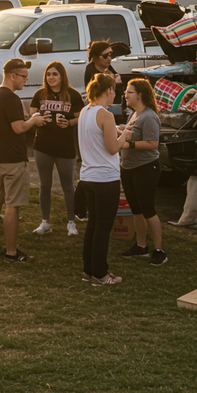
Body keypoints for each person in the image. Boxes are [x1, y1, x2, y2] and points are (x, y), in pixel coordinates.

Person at [0, 58, 46, 263]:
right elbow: (18, 128)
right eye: (23, 76)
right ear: (12, 75)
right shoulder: (12, 99)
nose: (25, 80)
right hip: (12, 159)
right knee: (12, 205)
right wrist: (33, 120)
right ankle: (11, 252)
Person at [79, 73, 128, 285]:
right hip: (105, 179)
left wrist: (116, 131)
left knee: (93, 224)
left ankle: (88, 270)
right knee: (103, 228)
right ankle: (100, 274)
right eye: (114, 91)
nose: (115, 95)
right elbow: (112, 148)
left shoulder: (85, 111)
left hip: (87, 177)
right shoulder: (106, 115)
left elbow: (97, 136)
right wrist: (125, 135)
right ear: (108, 90)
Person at [29, 61, 83, 236]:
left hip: (65, 147)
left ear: (62, 76)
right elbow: (32, 110)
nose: (51, 77)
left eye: (54, 74)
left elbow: (81, 117)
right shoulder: (40, 93)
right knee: (45, 185)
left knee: (68, 186)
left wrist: (69, 123)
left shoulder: (73, 95)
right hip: (42, 146)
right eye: (48, 74)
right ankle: (45, 222)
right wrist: (36, 118)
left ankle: (71, 222)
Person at [118, 78, 167, 265]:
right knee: (136, 209)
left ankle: (159, 250)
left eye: (129, 92)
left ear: (139, 95)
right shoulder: (134, 114)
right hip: (128, 168)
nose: (125, 95)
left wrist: (128, 144)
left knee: (147, 209)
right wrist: (122, 130)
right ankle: (141, 246)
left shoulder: (149, 116)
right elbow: (134, 133)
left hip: (145, 168)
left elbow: (152, 143)